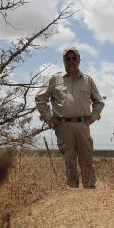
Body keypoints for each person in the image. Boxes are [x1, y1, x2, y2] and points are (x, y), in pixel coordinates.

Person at [35, 47, 105, 188]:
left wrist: (93, 117)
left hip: (83, 125)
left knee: (87, 159)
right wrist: (49, 118)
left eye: (74, 58)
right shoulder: (54, 79)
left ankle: (90, 189)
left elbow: (99, 101)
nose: (71, 61)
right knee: (69, 160)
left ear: (79, 60)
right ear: (64, 60)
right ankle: (71, 192)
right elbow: (40, 98)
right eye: (68, 58)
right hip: (63, 126)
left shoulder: (87, 80)